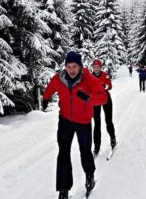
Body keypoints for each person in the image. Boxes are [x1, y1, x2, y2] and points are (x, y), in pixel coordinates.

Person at [42, 51, 108, 199]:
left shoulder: (88, 79)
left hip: (83, 122)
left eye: (74, 66)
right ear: (65, 66)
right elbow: (51, 87)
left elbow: (103, 98)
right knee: (63, 152)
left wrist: (89, 98)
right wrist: (45, 98)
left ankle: (89, 175)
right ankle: (63, 189)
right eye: (68, 66)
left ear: (80, 66)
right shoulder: (60, 78)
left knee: (85, 151)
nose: (71, 70)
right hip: (65, 120)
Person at [91, 59, 116, 157]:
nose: (96, 68)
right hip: (95, 101)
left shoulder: (105, 75)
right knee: (97, 124)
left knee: (108, 120)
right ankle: (97, 145)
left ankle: (113, 138)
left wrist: (102, 86)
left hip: (106, 99)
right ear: (92, 67)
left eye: (98, 67)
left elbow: (109, 86)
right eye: (94, 67)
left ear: (101, 67)